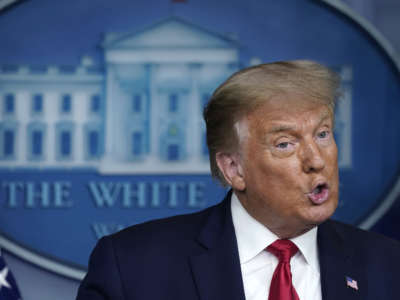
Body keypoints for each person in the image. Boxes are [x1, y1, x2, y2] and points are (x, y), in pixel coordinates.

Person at [76, 60, 400, 300]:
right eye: (285, 143)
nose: (317, 160)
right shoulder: (133, 267)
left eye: (323, 134)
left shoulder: (388, 266)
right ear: (234, 169)